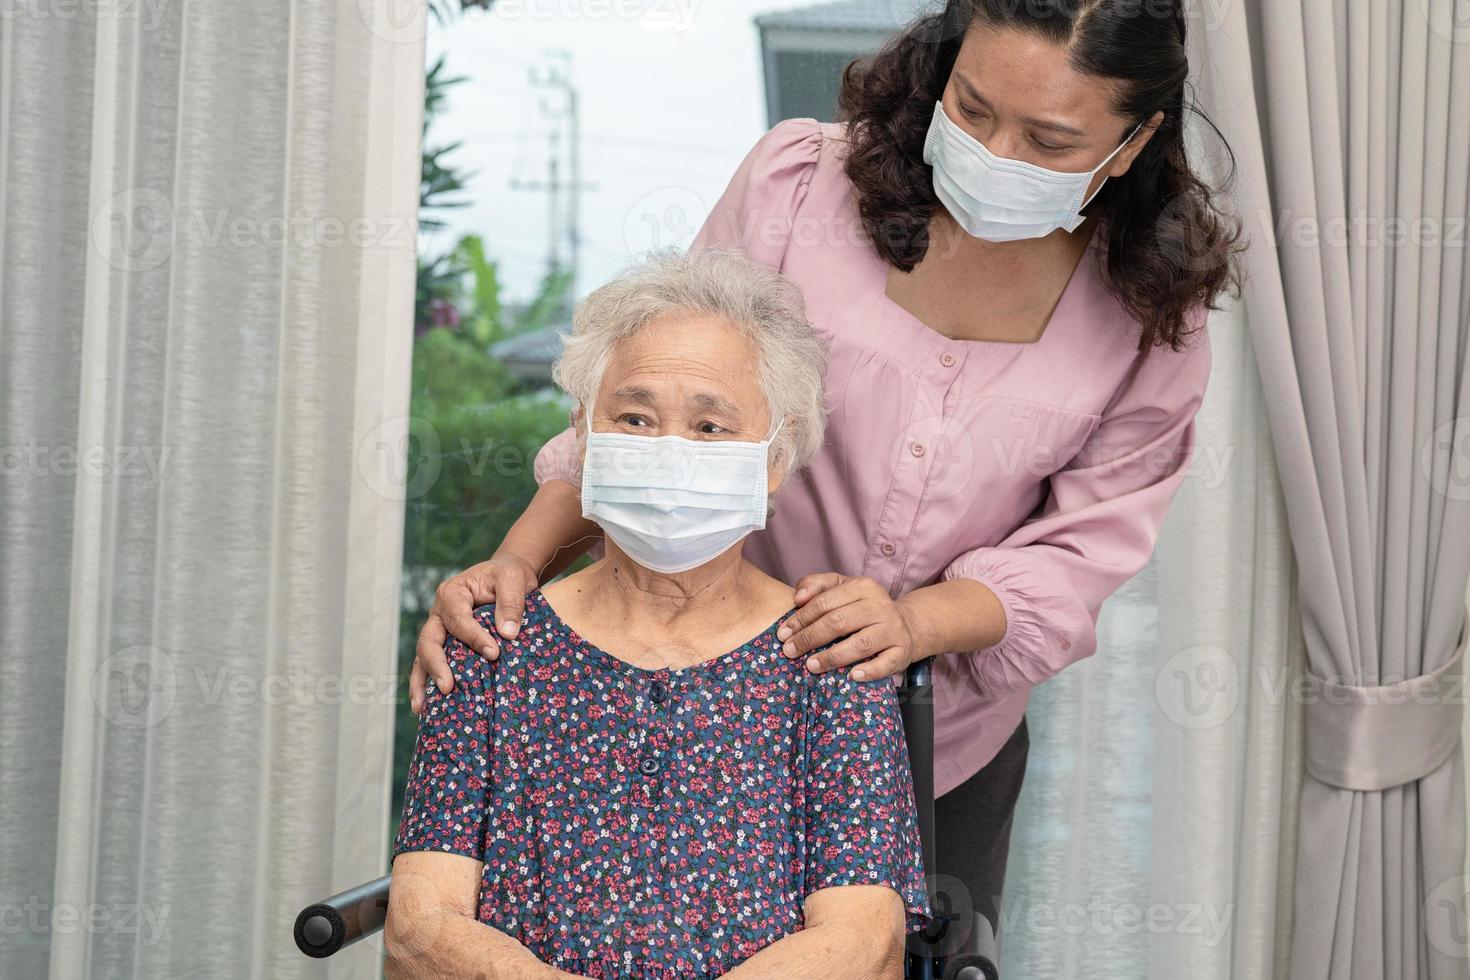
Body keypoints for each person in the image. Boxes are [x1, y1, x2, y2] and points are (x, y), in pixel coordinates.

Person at [412, 0, 1240, 926]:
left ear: (1133, 143)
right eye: (971, 109)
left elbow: (1081, 551)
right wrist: (514, 569)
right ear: (944, 65)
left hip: (940, 741)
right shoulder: (801, 186)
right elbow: (654, 396)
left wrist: (913, 623)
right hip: (693, 693)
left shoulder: (1149, 311)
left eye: (1049, 141)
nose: (997, 154)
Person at [385, 249, 931, 980]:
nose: (669, 450)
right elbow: (420, 928)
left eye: (710, 428)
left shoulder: (830, 658)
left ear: (776, 458)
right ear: (585, 435)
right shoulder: (489, 646)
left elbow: (865, 945)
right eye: (635, 417)